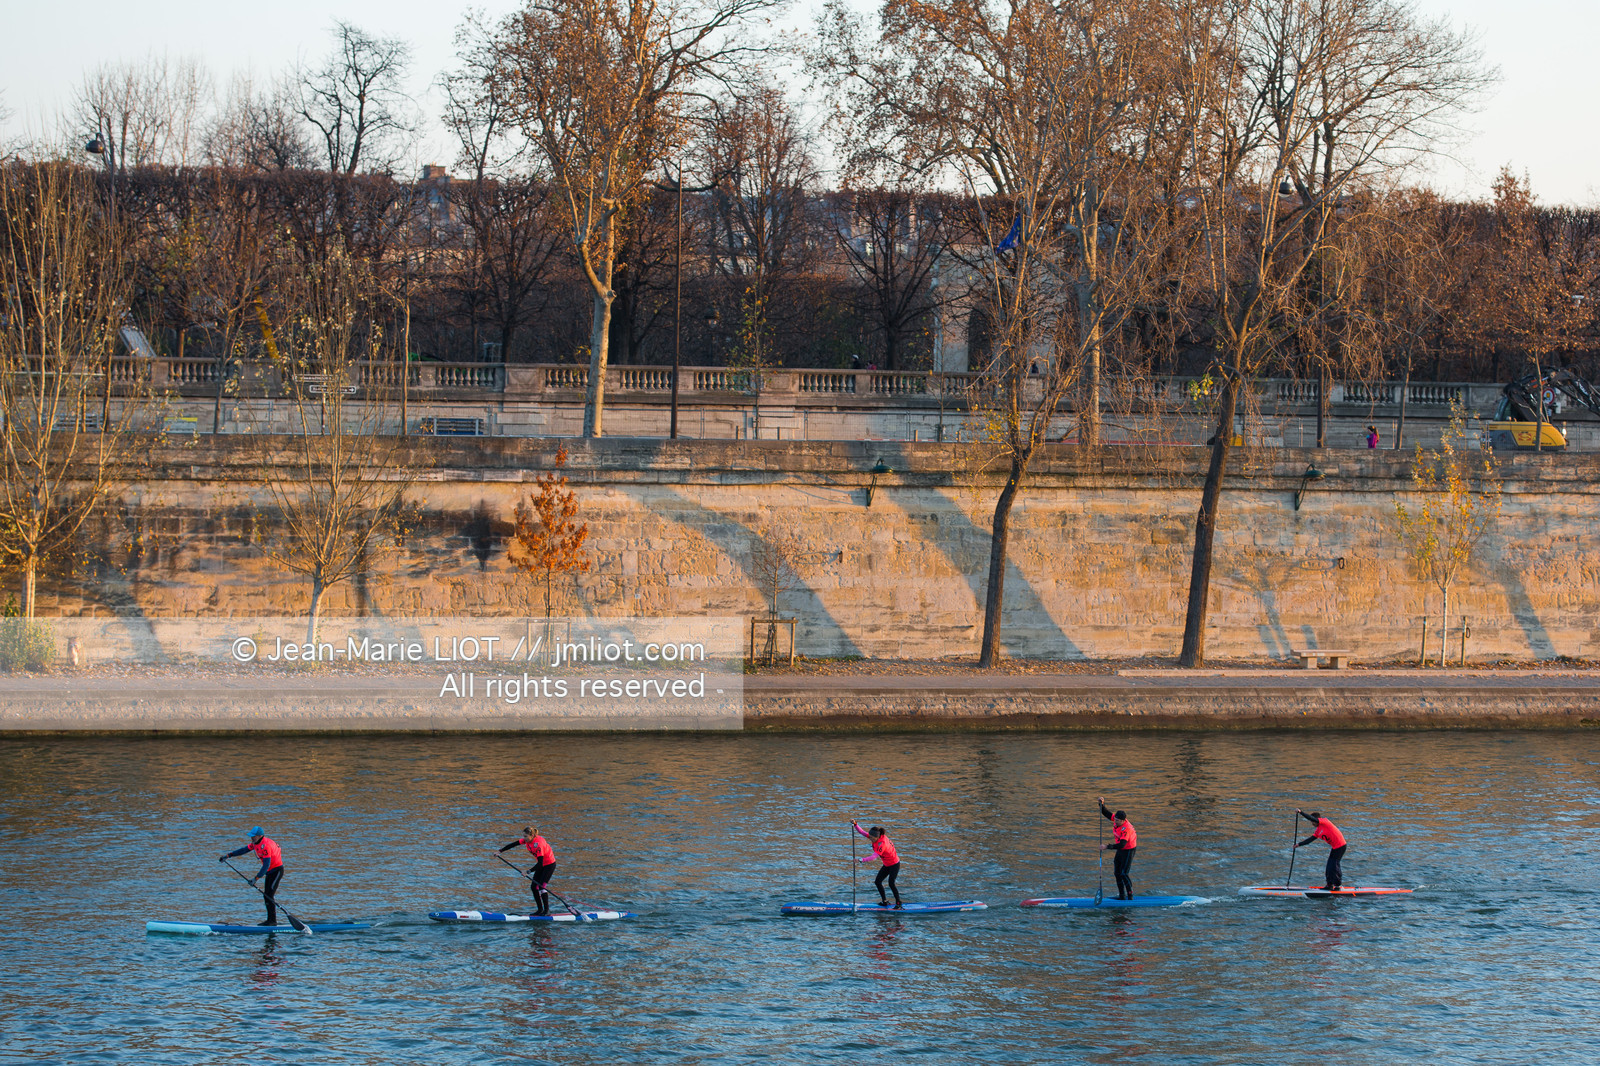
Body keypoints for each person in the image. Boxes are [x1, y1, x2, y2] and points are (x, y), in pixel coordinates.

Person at [221, 827, 284, 926]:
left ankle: (272, 921)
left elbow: (266, 865)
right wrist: (229, 855)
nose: (251, 838)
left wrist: (256, 878)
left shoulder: (266, 846)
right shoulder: (255, 844)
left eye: (253, 836)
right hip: (269, 872)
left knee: (269, 895)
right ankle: (270, 920)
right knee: (266, 895)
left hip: (276, 871)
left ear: (260, 836)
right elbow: (243, 850)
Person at [499, 826, 557, 915]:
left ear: (532, 835)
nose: (524, 838)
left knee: (541, 887)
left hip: (549, 865)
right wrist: (500, 851)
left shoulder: (538, 844)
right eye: (523, 836)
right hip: (541, 865)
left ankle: (547, 911)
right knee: (534, 887)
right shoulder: (527, 840)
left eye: (526, 836)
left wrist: (527, 872)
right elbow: (513, 844)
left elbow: (540, 864)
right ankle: (540, 910)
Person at [853, 820, 902, 908]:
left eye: (872, 838)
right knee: (877, 882)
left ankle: (898, 903)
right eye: (870, 837)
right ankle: (885, 901)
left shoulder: (881, 844)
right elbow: (862, 832)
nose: (870, 839)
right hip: (887, 864)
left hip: (894, 864)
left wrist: (860, 860)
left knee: (891, 883)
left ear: (877, 837)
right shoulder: (876, 836)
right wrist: (855, 824)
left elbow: (873, 857)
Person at [1294, 810, 1347, 890]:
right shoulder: (1318, 830)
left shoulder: (1325, 822)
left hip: (1341, 846)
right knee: (1329, 867)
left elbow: (1311, 818)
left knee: (1334, 865)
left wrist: (1301, 812)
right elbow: (1310, 840)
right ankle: (1330, 885)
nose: (1312, 824)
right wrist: (1299, 844)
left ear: (1316, 819)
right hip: (1335, 847)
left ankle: (1338, 885)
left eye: (1312, 822)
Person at [1098, 797, 1137, 899]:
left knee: (1124, 873)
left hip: (1128, 850)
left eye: (1117, 821)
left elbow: (1122, 845)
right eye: (1114, 819)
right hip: (1121, 850)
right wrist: (1101, 804)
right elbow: (1106, 813)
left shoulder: (1126, 829)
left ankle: (1130, 894)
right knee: (1117, 873)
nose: (1115, 822)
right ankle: (1122, 895)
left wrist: (1107, 846)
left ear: (1123, 821)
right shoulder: (1117, 819)